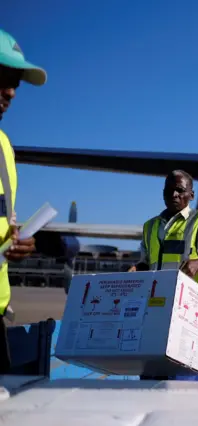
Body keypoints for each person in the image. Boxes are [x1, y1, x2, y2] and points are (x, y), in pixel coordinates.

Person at [130, 169, 198, 380]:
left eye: (180, 190)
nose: (174, 194)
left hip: (190, 317)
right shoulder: (150, 227)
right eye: (169, 190)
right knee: (150, 377)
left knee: (183, 382)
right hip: (156, 312)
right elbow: (147, 263)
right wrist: (136, 269)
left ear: (191, 195)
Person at [0, 28, 43, 373]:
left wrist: (17, 239)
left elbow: (5, 217)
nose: (11, 91)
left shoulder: (4, 146)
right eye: (2, 77)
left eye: (15, 81)